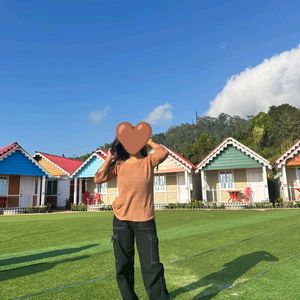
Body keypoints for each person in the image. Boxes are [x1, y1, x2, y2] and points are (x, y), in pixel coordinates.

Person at [94, 137, 170, 300]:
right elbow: (98, 178)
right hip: (121, 221)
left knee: (152, 266)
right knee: (123, 265)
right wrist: (109, 158)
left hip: (145, 221)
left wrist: (148, 140)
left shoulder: (149, 161)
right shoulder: (119, 165)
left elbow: (163, 152)